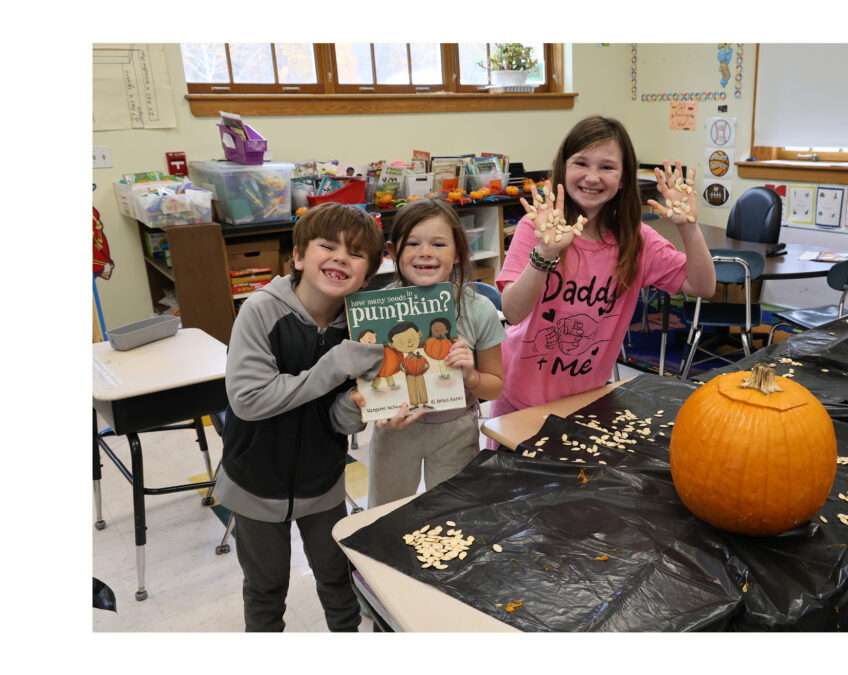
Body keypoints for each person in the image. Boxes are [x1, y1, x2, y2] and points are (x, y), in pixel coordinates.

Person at [215, 202, 387, 632]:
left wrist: (355, 405)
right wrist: (335, 365)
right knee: (266, 587)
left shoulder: (360, 325)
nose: (340, 258)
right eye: (327, 246)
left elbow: (341, 422)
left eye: (356, 253)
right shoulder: (260, 311)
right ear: (297, 256)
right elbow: (249, 400)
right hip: (254, 481)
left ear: (367, 274)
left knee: (336, 577)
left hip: (323, 481)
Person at [492, 115, 717, 421]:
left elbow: (703, 286)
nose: (593, 177)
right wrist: (545, 253)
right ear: (563, 167)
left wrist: (689, 229)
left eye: (607, 167)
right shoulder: (536, 230)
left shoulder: (638, 241)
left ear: (623, 178)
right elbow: (513, 311)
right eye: (581, 163)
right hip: (519, 401)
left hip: (586, 404)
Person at [366, 198, 506, 508]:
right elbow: (370, 377)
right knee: (384, 512)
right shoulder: (377, 310)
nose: (425, 252)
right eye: (412, 243)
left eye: (438, 244)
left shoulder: (478, 310)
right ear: (392, 251)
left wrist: (470, 375)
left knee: (454, 513)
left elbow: (496, 384)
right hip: (395, 431)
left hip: (456, 432)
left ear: (457, 252)